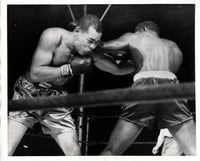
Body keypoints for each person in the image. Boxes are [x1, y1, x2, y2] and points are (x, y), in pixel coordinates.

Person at [8, 14, 135, 156]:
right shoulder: (53, 36)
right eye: (90, 41)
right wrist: (69, 69)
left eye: (95, 42)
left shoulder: (89, 53)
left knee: (74, 153)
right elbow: (35, 73)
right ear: (77, 31)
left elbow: (118, 69)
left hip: (56, 100)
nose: (92, 46)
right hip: (28, 93)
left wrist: (138, 61)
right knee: (7, 147)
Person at [98, 21, 196, 155]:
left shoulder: (135, 37)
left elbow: (104, 46)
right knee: (195, 151)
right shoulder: (174, 47)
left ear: (143, 29)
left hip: (144, 86)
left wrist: (86, 44)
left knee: (112, 150)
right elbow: (167, 72)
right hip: (172, 87)